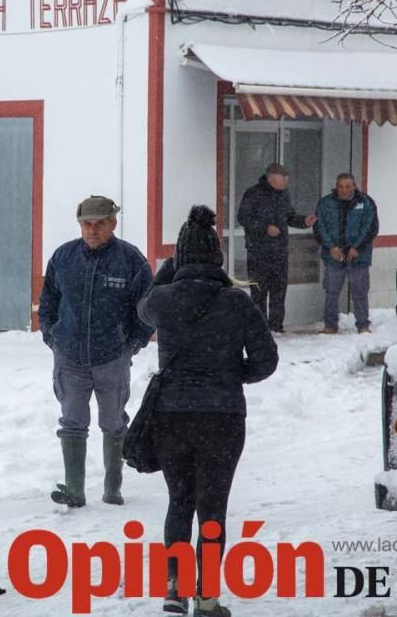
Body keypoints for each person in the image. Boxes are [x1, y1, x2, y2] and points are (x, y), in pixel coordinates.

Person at [138, 205, 278, 617]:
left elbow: (142, 308)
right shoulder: (237, 303)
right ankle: (207, 599)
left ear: (179, 257)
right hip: (223, 418)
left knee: (179, 501)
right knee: (212, 508)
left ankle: (174, 589)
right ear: (218, 256)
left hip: (172, 417)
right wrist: (234, 376)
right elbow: (267, 360)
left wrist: (168, 270)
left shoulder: (163, 299)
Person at [38, 195, 154, 508]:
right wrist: (51, 335)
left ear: (112, 223)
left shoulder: (130, 260)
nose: (92, 230)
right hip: (69, 356)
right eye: (86, 224)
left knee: (113, 421)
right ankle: (74, 491)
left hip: (112, 357)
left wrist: (133, 344)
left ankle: (112, 488)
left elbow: (147, 308)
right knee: (72, 421)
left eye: (99, 224)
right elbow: (48, 301)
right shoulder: (63, 257)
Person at [236, 162, 317, 333]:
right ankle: (260, 329)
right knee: (258, 292)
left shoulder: (283, 195)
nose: (287, 180)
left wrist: (303, 221)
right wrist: (265, 228)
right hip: (258, 252)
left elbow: (290, 217)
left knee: (279, 291)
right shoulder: (254, 193)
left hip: (279, 251)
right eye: (284, 177)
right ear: (271, 178)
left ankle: (276, 327)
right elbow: (243, 218)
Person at [314, 173, 379, 334]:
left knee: (360, 292)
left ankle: (363, 325)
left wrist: (357, 247)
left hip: (359, 257)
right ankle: (330, 325)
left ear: (354, 186)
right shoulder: (325, 203)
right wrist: (331, 247)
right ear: (336, 187)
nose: (344, 190)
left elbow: (370, 228)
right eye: (341, 187)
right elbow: (320, 228)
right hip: (333, 257)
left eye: (348, 186)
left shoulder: (366, 202)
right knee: (331, 292)